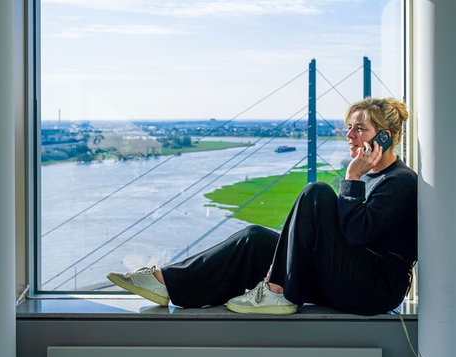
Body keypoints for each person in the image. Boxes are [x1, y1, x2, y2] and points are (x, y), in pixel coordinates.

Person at [107, 97, 417, 316]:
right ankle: (169, 284)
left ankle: (278, 291)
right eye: (349, 127)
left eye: (359, 129)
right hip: (350, 276)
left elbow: (354, 234)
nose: (349, 135)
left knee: (318, 193)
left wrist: (351, 177)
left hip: (371, 290)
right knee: (254, 238)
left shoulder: (400, 181)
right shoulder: (372, 176)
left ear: (385, 138)